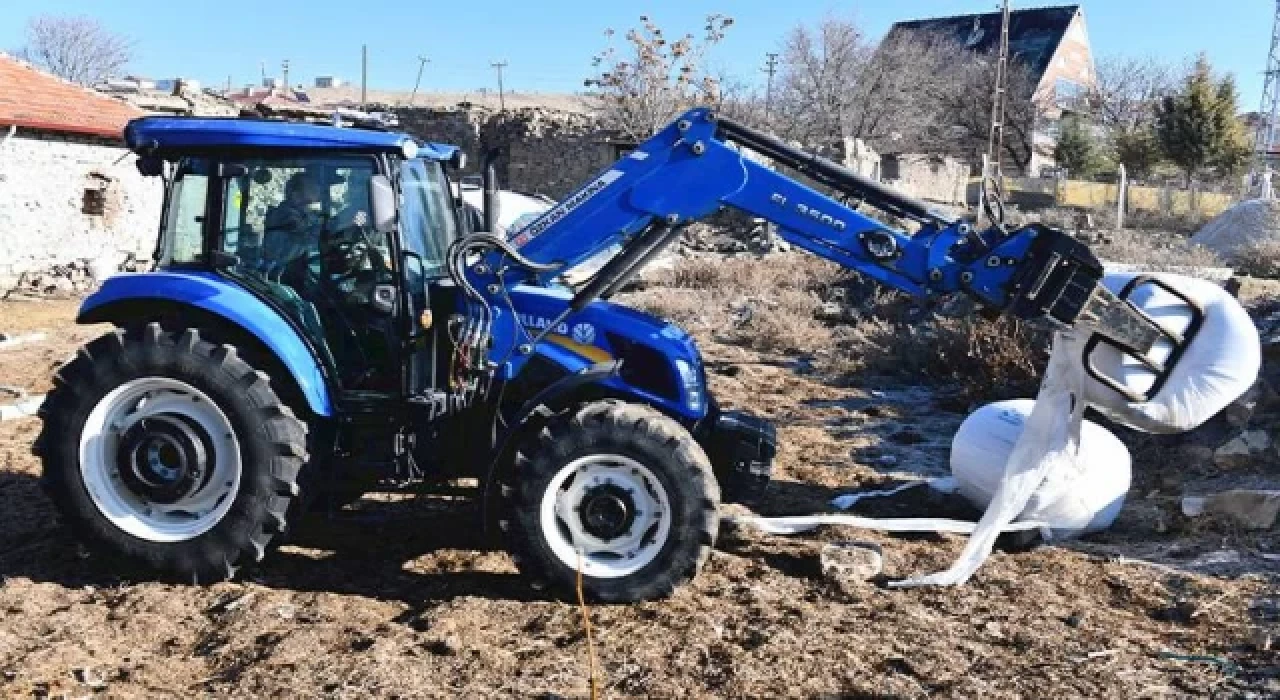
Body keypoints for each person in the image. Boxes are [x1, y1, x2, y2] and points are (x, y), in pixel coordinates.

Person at [262, 171, 325, 266]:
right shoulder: (284, 215)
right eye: (312, 188)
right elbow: (310, 240)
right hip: (276, 270)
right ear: (295, 194)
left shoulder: (304, 214)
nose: (318, 191)